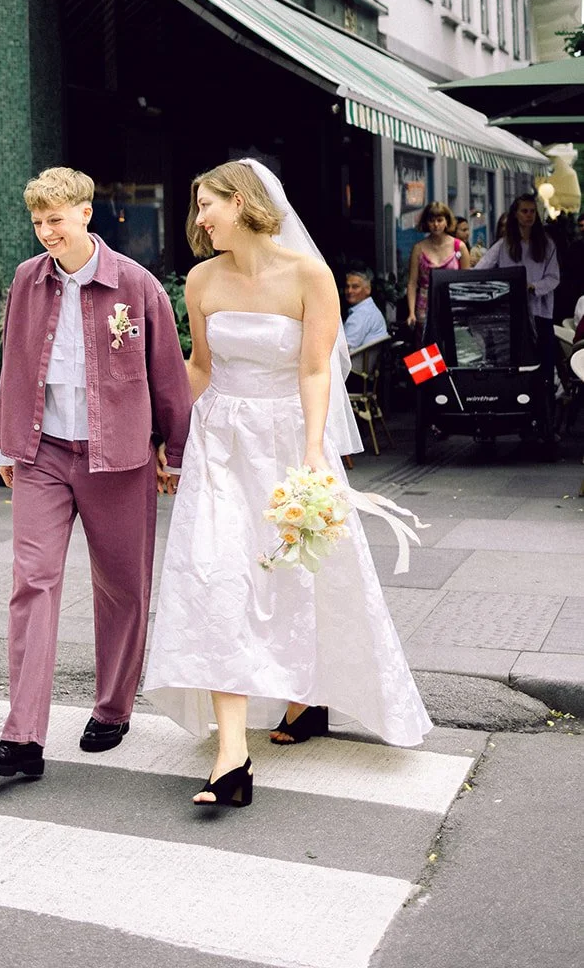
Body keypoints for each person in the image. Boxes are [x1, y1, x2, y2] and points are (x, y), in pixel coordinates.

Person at [143, 159, 431, 809]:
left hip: (285, 439)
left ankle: (306, 699)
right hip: (219, 441)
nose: (199, 218)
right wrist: (165, 435)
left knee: (299, 575)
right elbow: (199, 366)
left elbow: (313, 373)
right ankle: (231, 754)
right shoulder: (200, 279)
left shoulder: (308, 276)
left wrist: (310, 455)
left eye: (206, 204)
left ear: (241, 203)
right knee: (217, 577)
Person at [0, 166, 192, 782]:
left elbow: (167, 373)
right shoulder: (26, 281)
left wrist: (176, 449)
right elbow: (14, 364)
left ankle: (113, 707)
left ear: (86, 214)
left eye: (56, 221)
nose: (46, 233)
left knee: (122, 586)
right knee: (32, 581)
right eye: (38, 223)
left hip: (118, 456)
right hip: (42, 454)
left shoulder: (135, 285)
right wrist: (6, 446)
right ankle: (23, 739)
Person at [476, 194, 560, 380]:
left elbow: (553, 277)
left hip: (540, 311)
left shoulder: (546, 245)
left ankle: (544, 399)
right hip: (511, 311)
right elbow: (481, 269)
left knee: (543, 362)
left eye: (532, 211)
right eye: (524, 211)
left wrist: (533, 287)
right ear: (515, 214)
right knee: (516, 362)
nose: (529, 215)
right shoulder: (503, 245)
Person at [406, 201, 471, 340]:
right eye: (431, 220)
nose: (436, 225)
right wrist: (411, 312)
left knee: (453, 346)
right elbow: (412, 283)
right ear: (426, 223)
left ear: (447, 222)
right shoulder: (418, 248)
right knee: (427, 351)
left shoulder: (459, 247)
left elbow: (467, 281)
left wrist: (466, 308)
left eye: (440, 220)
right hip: (424, 307)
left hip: (453, 304)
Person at [343, 267, 389, 354]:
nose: (349, 291)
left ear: (367, 289)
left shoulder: (362, 314)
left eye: (355, 287)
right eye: (347, 286)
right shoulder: (368, 309)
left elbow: (344, 349)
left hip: (354, 366)